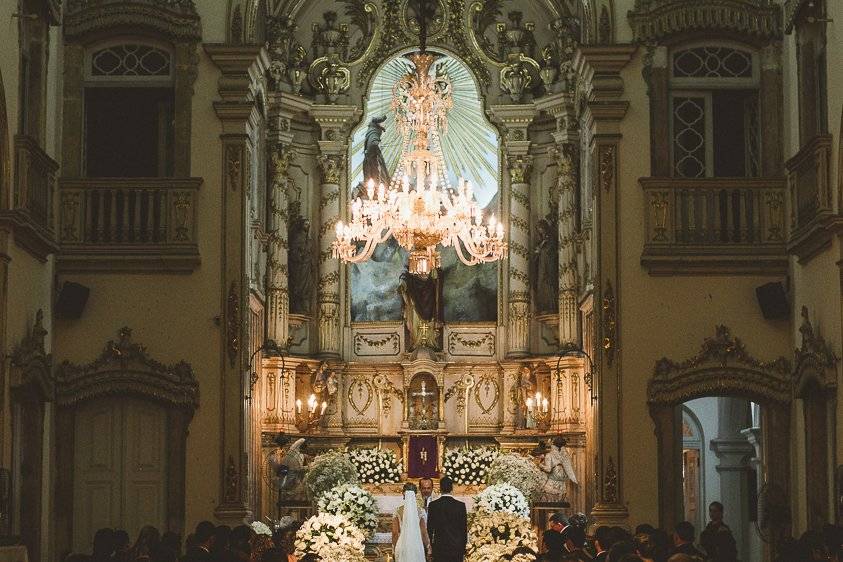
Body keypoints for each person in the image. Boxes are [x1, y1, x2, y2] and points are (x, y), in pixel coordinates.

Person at [427, 476, 468, 562]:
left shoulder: (433, 505)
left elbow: (430, 528)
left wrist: (431, 545)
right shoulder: (460, 506)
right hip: (456, 547)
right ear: (452, 488)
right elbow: (463, 529)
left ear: (440, 489)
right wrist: (463, 548)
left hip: (439, 547)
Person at [392, 483, 431, 562]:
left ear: (403, 493)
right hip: (416, 546)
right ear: (415, 494)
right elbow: (423, 533)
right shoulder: (420, 511)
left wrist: (394, 548)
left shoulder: (397, 510)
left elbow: (395, 533)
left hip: (402, 546)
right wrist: (428, 547)